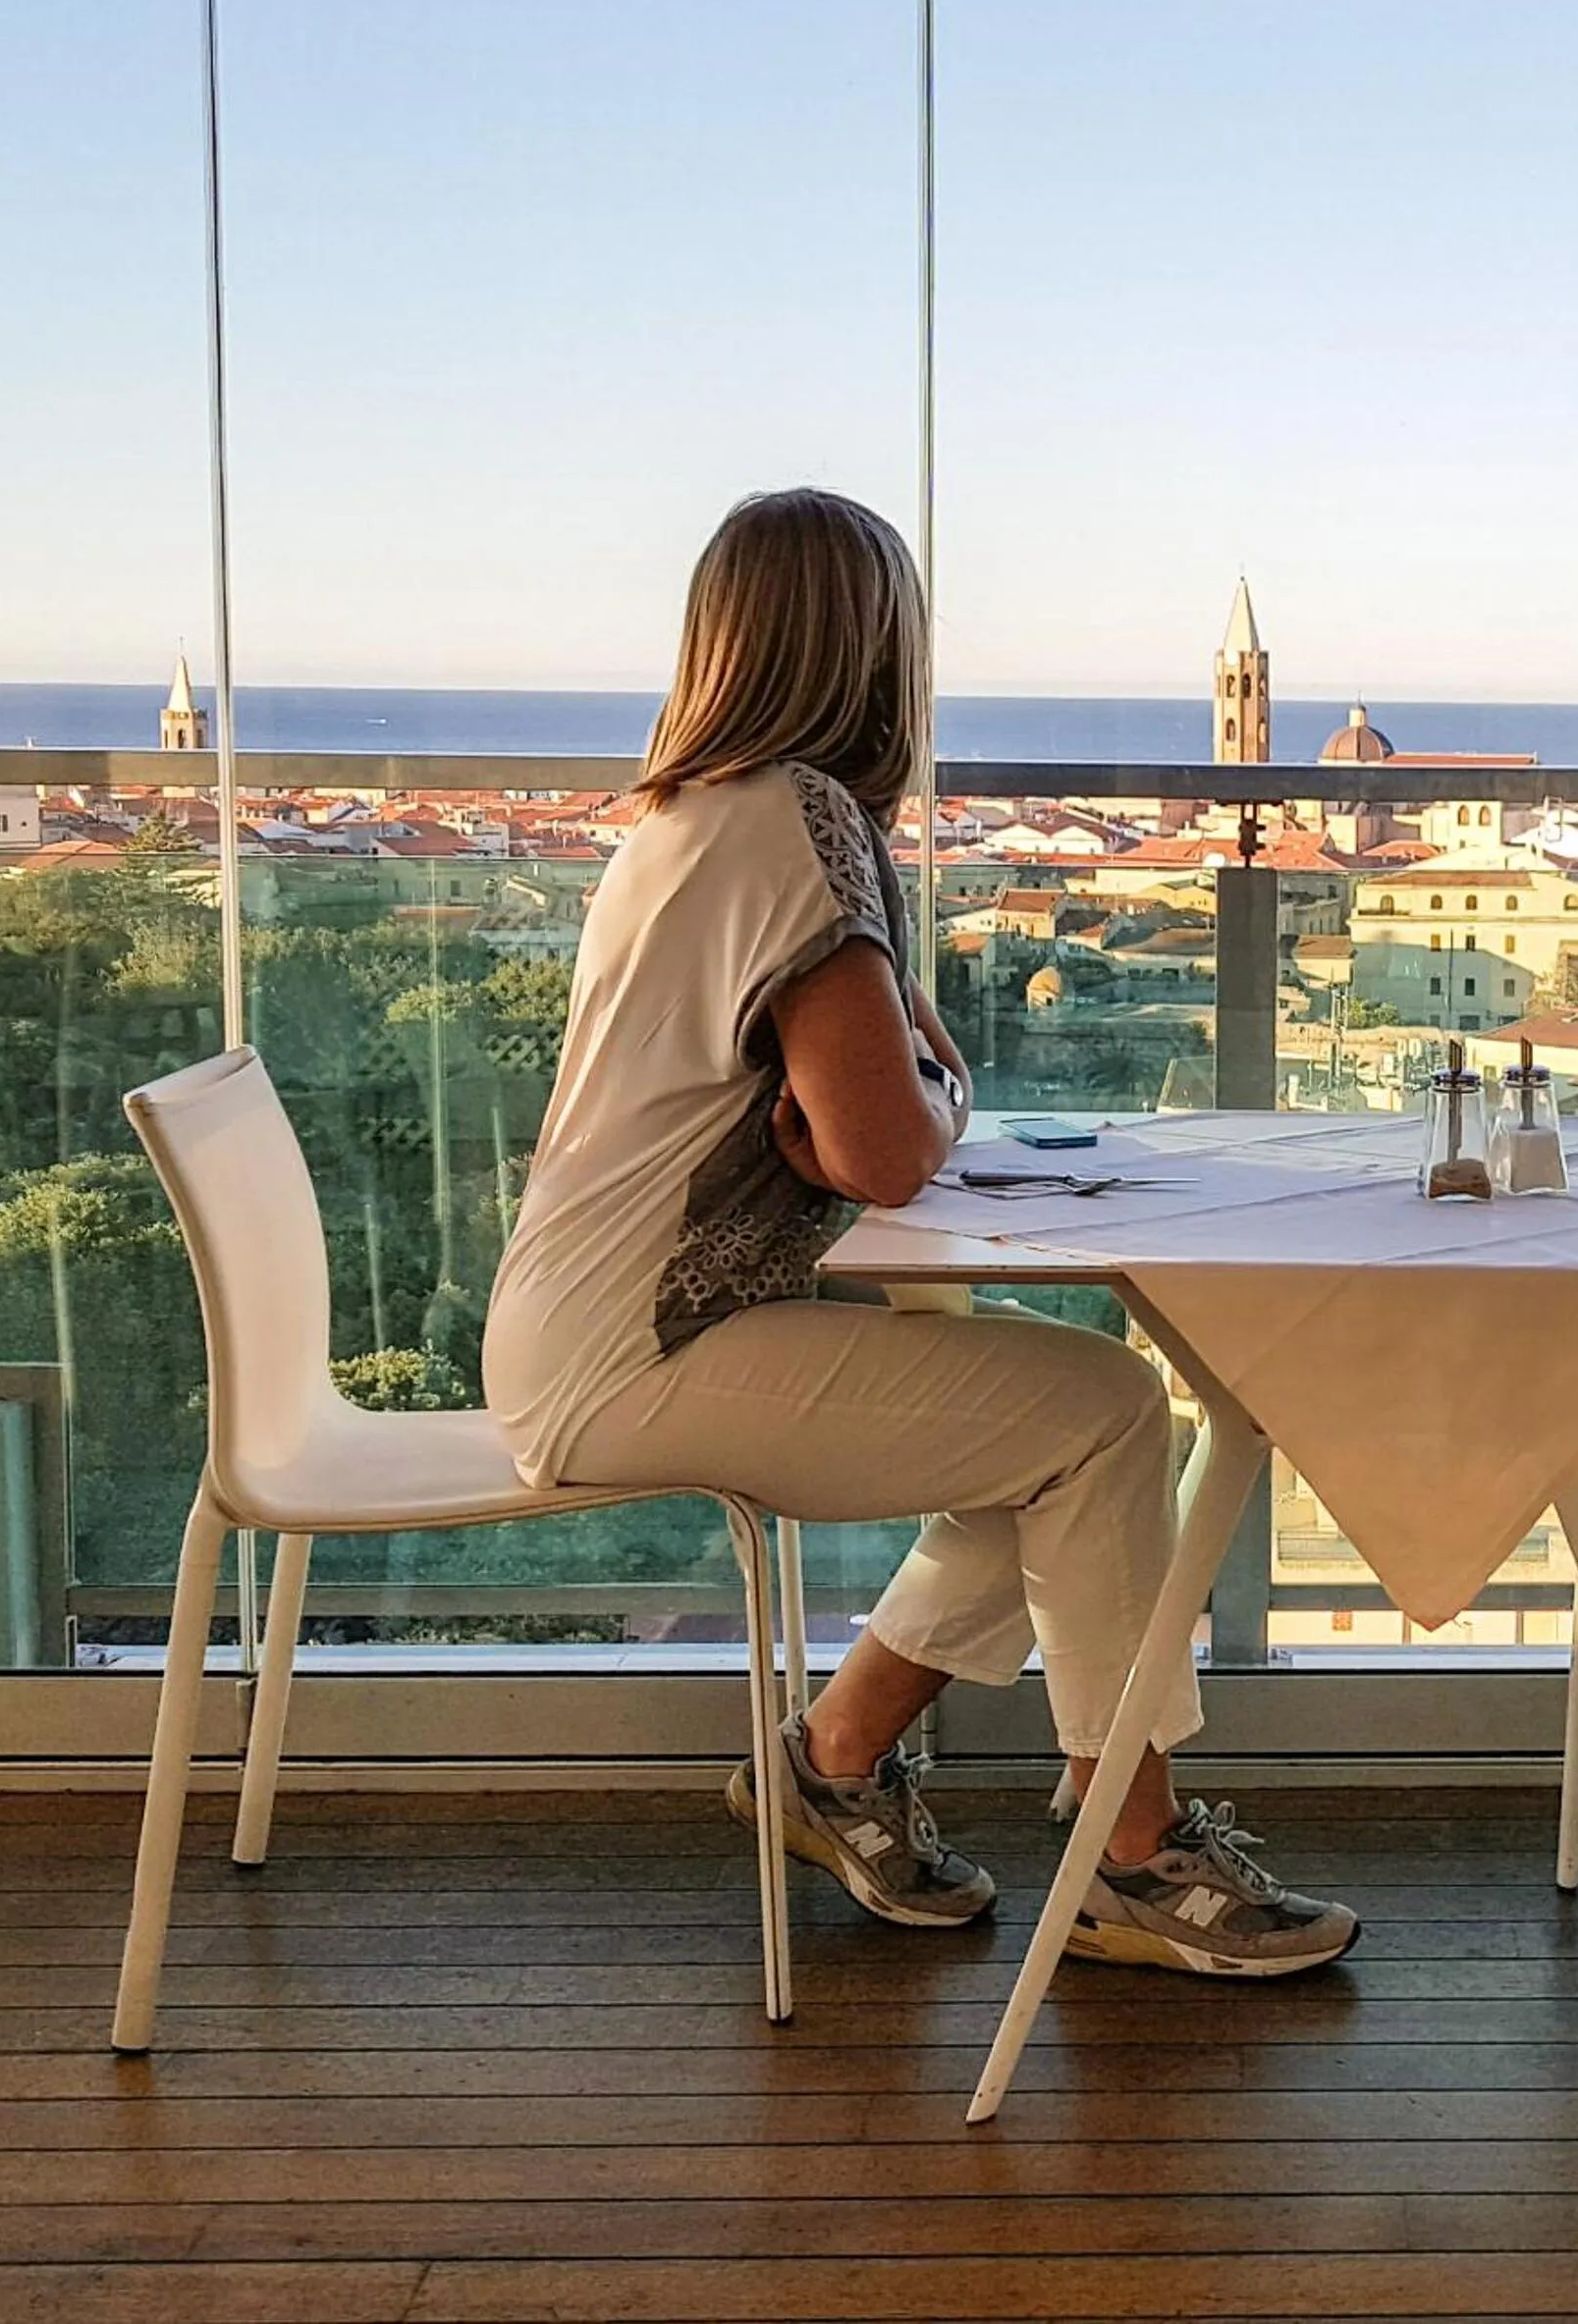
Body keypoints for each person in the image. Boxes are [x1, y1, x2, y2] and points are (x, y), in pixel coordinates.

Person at [484, 488, 1355, 1976]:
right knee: (1098, 1414)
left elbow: (862, 1113)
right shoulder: (796, 823)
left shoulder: (687, 816)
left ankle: (834, 1762)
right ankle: (1127, 1853)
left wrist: (898, 1097)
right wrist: (934, 1097)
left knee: (1033, 1438)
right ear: (877, 648)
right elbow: (894, 1144)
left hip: (590, 1326)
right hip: (642, 1351)